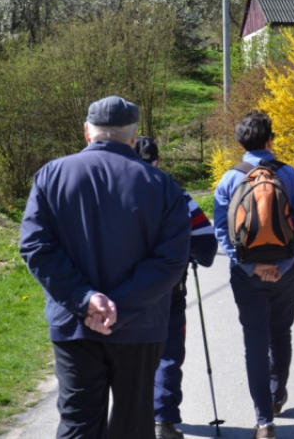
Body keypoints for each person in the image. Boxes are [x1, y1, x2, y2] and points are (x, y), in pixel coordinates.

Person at [20, 96, 191, 439]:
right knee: (133, 425)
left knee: (79, 423)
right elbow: (171, 260)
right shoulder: (163, 186)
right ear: (133, 136)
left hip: (74, 325)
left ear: (87, 132)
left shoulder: (51, 175)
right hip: (141, 327)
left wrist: (86, 301)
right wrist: (119, 308)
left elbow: (36, 246)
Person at [213, 111, 294, 439]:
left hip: (246, 274)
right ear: (271, 140)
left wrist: (250, 267)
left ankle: (264, 421)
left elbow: (221, 231)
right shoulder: (291, 175)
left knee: (255, 341)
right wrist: (282, 267)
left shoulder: (229, 179)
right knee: (280, 334)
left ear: (241, 143)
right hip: (287, 270)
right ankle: (276, 393)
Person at [133, 136, 219, 439]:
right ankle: (162, 421)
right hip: (169, 291)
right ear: (158, 161)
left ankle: (129, 420)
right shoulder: (176, 194)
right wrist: (191, 255)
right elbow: (206, 242)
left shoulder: (107, 194)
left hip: (120, 294)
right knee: (168, 354)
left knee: (123, 354)